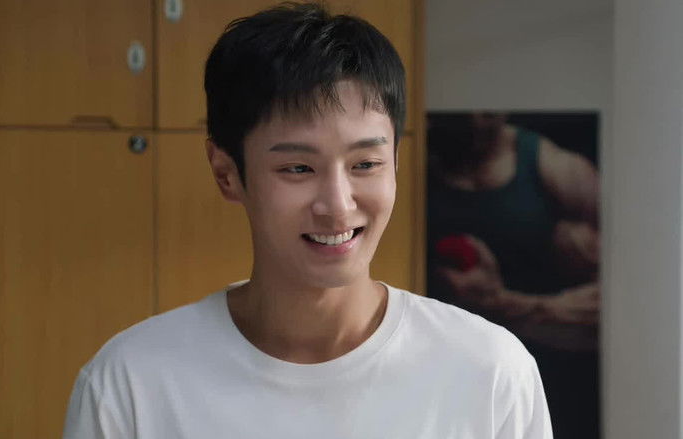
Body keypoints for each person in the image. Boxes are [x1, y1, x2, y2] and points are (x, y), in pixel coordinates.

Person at [63, 4, 552, 438]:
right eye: (298, 168)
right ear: (227, 173)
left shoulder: (488, 373)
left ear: (397, 163)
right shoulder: (132, 384)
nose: (337, 206)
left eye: (366, 164)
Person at [426, 112, 600, 438]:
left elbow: (625, 308)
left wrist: (500, 303)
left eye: (486, 113)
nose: (476, 121)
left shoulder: (556, 168)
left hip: (547, 373)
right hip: (447, 373)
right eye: (464, 116)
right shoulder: (409, 163)